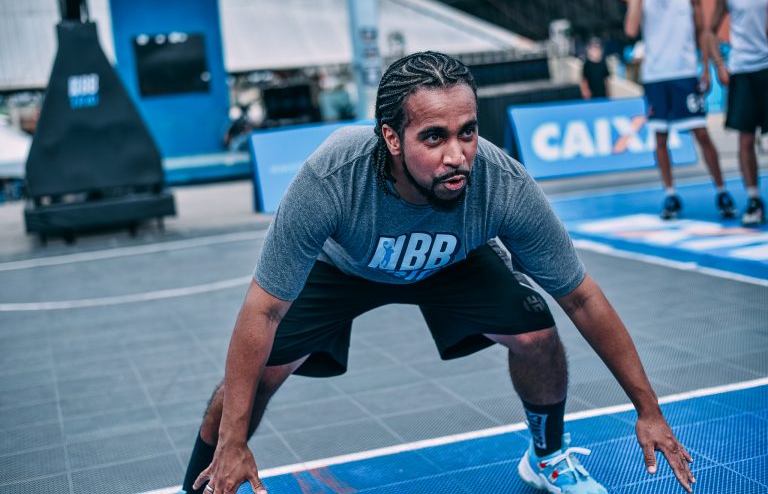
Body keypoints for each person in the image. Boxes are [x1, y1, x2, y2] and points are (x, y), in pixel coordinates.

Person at [179, 52, 695, 494]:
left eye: (467, 132)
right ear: (392, 138)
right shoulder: (333, 177)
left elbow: (581, 298)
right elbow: (263, 311)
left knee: (538, 335)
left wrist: (647, 409)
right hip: (345, 268)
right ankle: (204, 484)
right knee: (251, 380)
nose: (457, 155)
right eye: (433, 137)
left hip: (453, 261)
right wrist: (234, 441)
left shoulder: (500, 184)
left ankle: (547, 455)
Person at [625, 0, 737, 220]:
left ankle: (722, 191)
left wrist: (705, 68)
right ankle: (670, 194)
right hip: (655, 77)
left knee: (702, 134)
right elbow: (631, 30)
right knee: (660, 137)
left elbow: (702, 32)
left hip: (684, 73)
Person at [708, 0, 768, 225]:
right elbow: (710, 31)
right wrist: (719, 65)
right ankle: (754, 199)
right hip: (742, 71)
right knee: (745, 140)